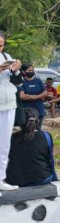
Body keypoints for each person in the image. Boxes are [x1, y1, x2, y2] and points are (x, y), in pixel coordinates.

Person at [6, 108, 57, 187]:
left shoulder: (12, 137)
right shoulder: (46, 136)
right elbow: (50, 158)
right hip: (41, 178)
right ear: (38, 121)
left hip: (15, 180)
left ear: (20, 122)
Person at [0, 35, 21, 191]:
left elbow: (19, 82)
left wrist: (14, 71)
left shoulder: (6, 57)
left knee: (4, 145)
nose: (0, 48)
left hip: (8, 104)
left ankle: (0, 180)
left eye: (1, 45)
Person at [18, 64, 47, 130]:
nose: (31, 71)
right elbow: (22, 96)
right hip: (26, 112)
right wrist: (39, 96)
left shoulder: (38, 81)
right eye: (29, 70)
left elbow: (45, 93)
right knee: (25, 130)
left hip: (39, 110)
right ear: (23, 71)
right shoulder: (21, 82)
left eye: (32, 70)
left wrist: (33, 97)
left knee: (37, 130)